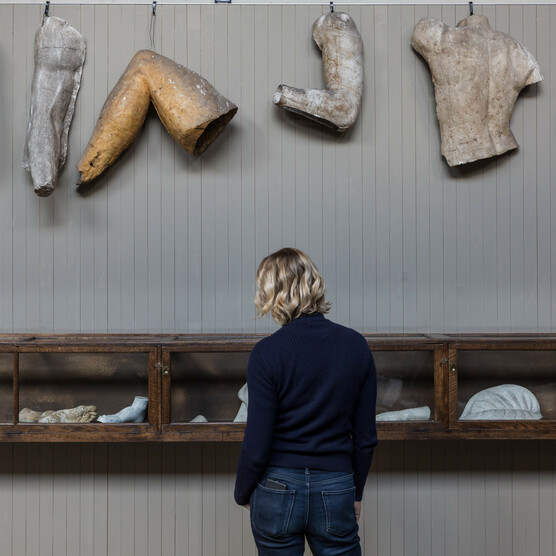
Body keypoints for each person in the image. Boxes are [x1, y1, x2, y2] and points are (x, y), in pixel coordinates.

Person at [234, 247, 377, 555]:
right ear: (314, 283)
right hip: (337, 485)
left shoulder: (266, 354)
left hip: (276, 487)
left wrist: (242, 492)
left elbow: (257, 443)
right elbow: (365, 438)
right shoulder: (356, 346)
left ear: (272, 293)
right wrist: (356, 493)